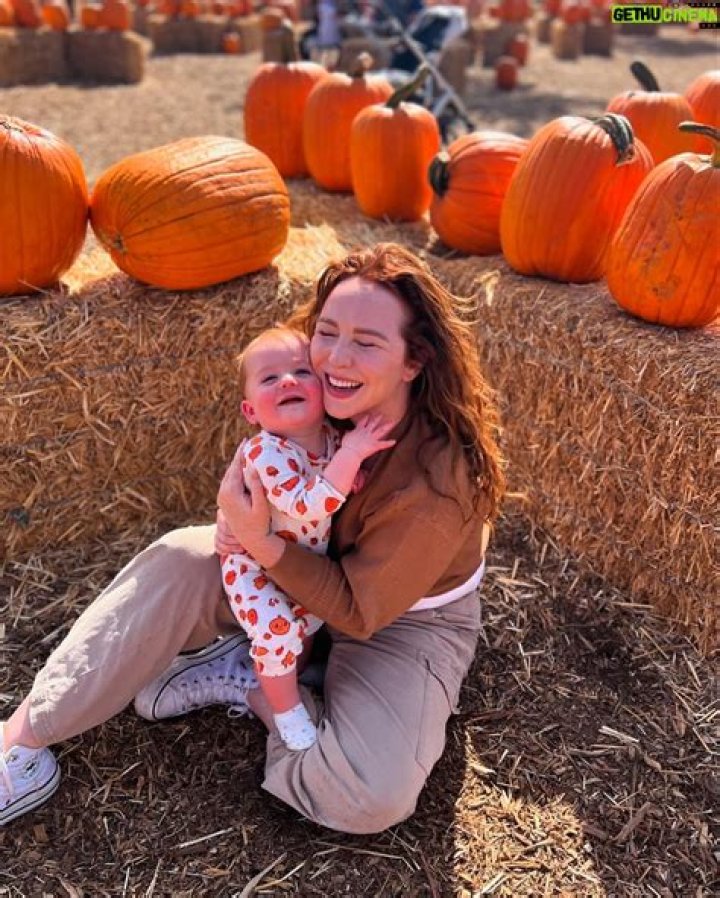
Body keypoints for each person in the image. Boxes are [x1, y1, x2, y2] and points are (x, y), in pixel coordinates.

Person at [0, 242, 505, 833]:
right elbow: (263, 458)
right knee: (181, 558)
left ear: (413, 361)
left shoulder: (438, 480)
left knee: (370, 795)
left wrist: (261, 543)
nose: (335, 359)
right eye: (326, 332)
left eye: (367, 343)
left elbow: (357, 609)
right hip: (296, 570)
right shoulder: (317, 387)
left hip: (396, 620)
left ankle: (266, 692)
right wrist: (236, 513)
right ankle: (19, 741)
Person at [220, 326, 395, 750]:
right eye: (270, 378)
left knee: (308, 621)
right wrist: (353, 455)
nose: (287, 381)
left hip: (298, 560)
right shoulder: (265, 452)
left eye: (302, 372)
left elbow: (337, 479)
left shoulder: (331, 439)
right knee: (278, 631)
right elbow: (305, 505)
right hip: (252, 566)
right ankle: (284, 709)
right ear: (250, 411)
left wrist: (351, 468)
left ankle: (286, 675)